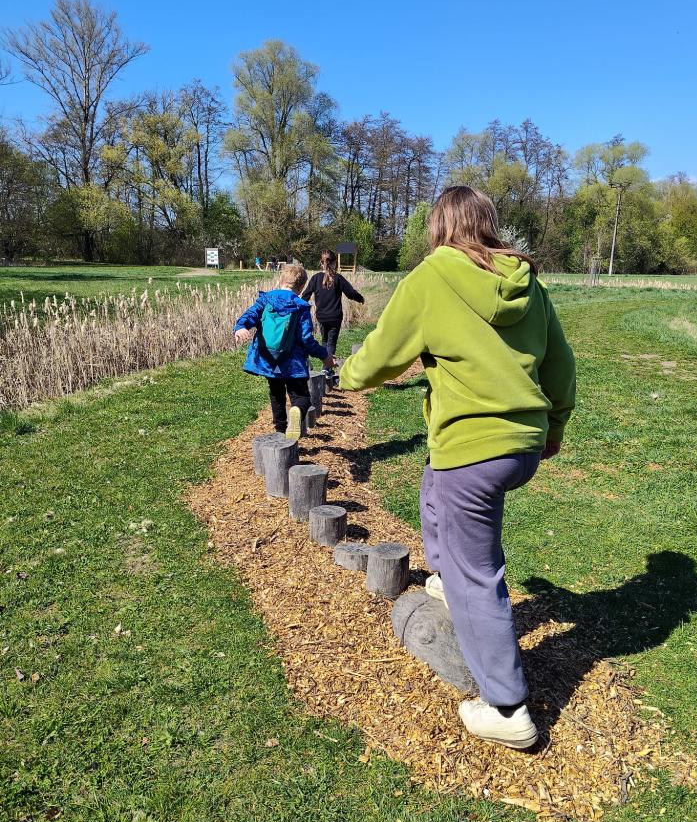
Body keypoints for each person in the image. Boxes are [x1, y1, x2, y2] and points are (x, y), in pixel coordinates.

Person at [340, 186, 576, 750]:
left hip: (473, 450)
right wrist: (554, 427)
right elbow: (560, 365)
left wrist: (347, 373)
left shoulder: (432, 277)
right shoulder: (528, 283)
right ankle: (446, 580)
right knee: (433, 485)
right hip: (520, 445)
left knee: (479, 576)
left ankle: (507, 708)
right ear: (487, 224)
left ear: (439, 227)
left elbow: (380, 355)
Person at [234, 264, 335, 439]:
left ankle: (280, 429)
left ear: (280, 280)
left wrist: (241, 327)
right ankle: (296, 411)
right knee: (301, 397)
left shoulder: (266, 300)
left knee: (276, 393)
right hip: (293, 363)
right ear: (301, 287)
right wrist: (324, 355)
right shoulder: (300, 306)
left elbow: (249, 315)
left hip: (269, 359)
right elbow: (306, 339)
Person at [302, 250, 365, 374]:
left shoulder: (315, 278)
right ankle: (327, 368)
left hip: (321, 317)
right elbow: (351, 293)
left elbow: (305, 295)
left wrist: (298, 307)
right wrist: (360, 298)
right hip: (335, 317)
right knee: (331, 342)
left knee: (324, 340)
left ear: (321, 263)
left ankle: (325, 366)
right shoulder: (338, 278)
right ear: (335, 263)